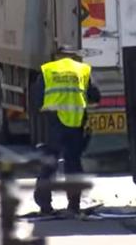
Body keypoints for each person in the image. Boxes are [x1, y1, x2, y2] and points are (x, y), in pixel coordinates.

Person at [31, 52, 100, 216]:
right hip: (75, 125)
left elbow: (37, 100)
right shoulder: (82, 71)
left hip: (53, 125)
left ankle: (45, 206)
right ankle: (74, 205)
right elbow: (95, 97)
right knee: (73, 165)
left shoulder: (47, 71)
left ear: (56, 57)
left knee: (49, 164)